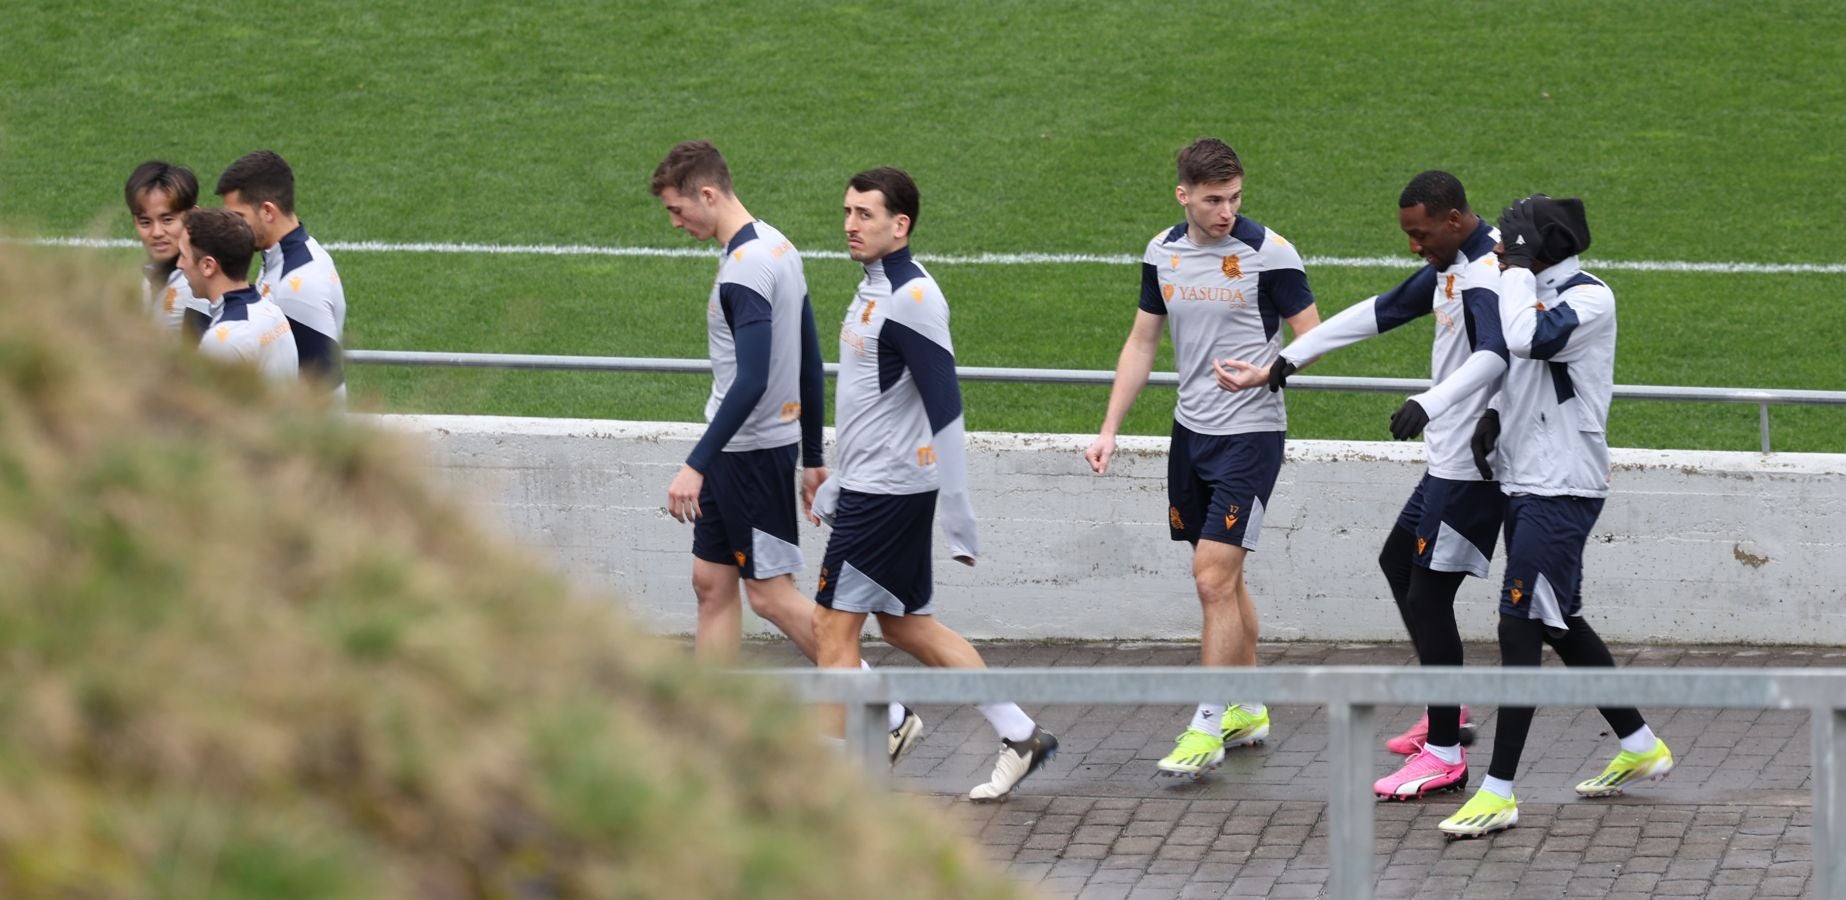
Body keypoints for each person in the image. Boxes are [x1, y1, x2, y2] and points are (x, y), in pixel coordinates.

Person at [1237, 171, 1506, 800]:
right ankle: (1452, 711)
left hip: (1472, 468)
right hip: (1448, 460)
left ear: (1454, 218)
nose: (1413, 245)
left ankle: (1446, 753)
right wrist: (1289, 359)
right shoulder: (1456, 261)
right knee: (1399, 565)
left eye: (1419, 233)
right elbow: (1383, 309)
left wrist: (1431, 402)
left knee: (1433, 600)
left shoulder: (1483, 277)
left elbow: (1496, 354)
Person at [649, 142, 920, 762]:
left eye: (676, 209)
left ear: (707, 195)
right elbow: (807, 349)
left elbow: (750, 379)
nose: (674, 223)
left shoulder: (746, 269)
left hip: (745, 454)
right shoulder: (778, 246)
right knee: (710, 585)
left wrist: (697, 462)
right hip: (751, 452)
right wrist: (813, 452)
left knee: (770, 594)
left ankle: (886, 709)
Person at [811, 167, 1056, 801]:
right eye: (847, 212)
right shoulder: (871, 290)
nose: (850, 225)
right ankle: (1020, 734)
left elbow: (946, 405)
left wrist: (958, 503)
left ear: (902, 225)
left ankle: (842, 774)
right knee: (904, 627)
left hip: (888, 494)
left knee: (832, 632)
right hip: (871, 483)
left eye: (865, 215)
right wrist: (839, 473)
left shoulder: (912, 298)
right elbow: (875, 402)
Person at [1437, 195, 1674, 838]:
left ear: (1541, 247)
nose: (1499, 242)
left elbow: (1528, 339)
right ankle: (1640, 742)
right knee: (1559, 620)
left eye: (1513, 237)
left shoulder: (1591, 298)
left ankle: (1499, 790)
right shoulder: (1533, 285)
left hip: (1562, 489)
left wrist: (1511, 268)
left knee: (1519, 624)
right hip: (1527, 480)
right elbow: (1521, 369)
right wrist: (1494, 419)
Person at [1083, 138, 1320, 778]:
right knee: (1226, 581)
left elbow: (1314, 338)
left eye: (1235, 198)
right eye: (1213, 200)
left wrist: (1266, 374)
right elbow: (1142, 342)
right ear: (1183, 195)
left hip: (1251, 435)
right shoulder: (1163, 252)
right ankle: (1247, 706)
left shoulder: (1269, 253)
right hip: (1190, 435)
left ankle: (1207, 726)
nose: (1226, 212)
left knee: (1212, 580)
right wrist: (1110, 429)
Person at [216, 150, 347, 398]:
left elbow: (325, 393)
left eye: (238, 217)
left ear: (267, 211)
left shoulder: (297, 285)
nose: (231, 228)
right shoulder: (288, 257)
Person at [177, 208, 299, 382]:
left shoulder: (224, 339)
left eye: (183, 255)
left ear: (208, 266)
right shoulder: (272, 312)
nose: (179, 264)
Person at [124, 160, 211, 338]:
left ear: (193, 216)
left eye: (167, 220)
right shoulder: (151, 274)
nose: (156, 233)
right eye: (145, 222)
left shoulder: (201, 288)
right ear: (135, 222)